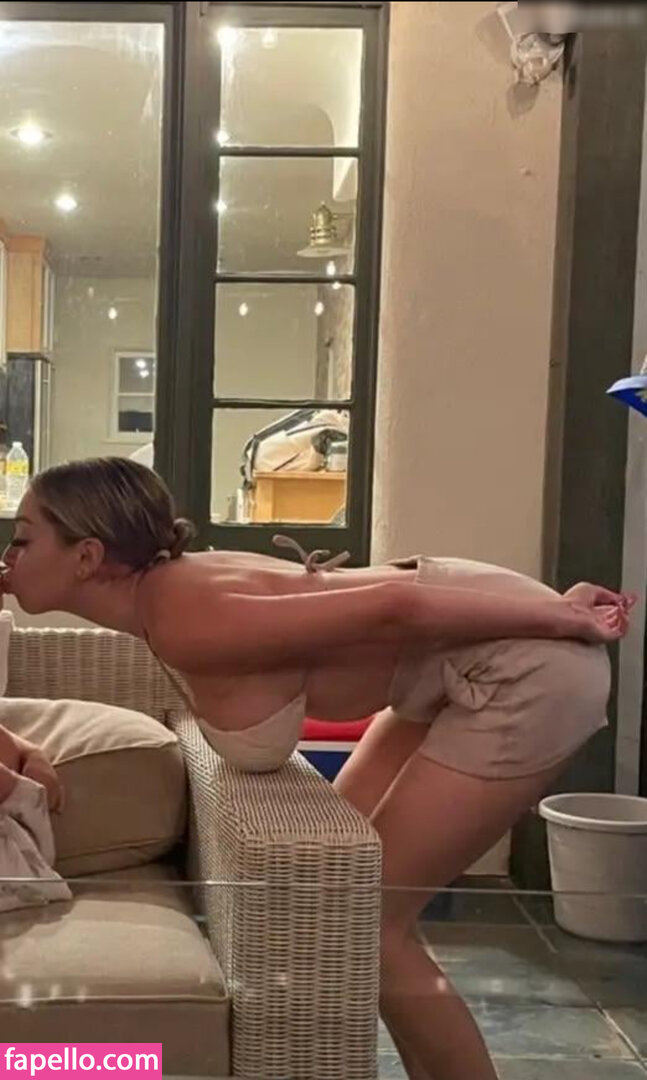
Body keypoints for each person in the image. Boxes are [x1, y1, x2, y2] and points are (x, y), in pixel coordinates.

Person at [0, 457, 633, 1080]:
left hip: (520, 671)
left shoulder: (181, 613)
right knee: (332, 904)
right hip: (450, 660)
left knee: (368, 928)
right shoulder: (166, 599)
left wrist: (560, 617)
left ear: (86, 557)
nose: (7, 555)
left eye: (22, 540)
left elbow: (394, 606)